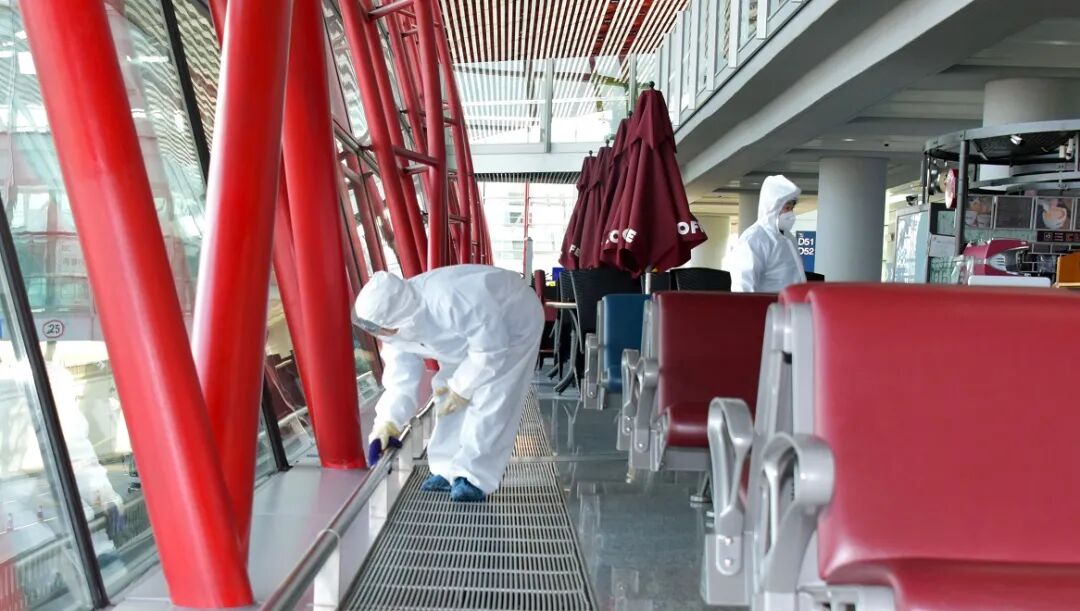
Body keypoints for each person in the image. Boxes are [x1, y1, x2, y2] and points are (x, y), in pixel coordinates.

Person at [354, 266, 545, 503]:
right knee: (445, 398)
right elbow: (399, 381)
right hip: (467, 341)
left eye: (379, 328)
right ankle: (445, 470)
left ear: (397, 319)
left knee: (492, 397)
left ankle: (472, 477)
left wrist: (461, 388)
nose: (377, 333)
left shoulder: (450, 299)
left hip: (514, 322)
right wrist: (387, 424)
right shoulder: (392, 327)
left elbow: (490, 351)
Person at [732, 175, 806, 293]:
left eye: (792, 208)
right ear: (773, 207)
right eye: (787, 208)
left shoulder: (788, 237)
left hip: (791, 303)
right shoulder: (754, 239)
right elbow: (743, 286)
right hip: (767, 304)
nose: (790, 214)